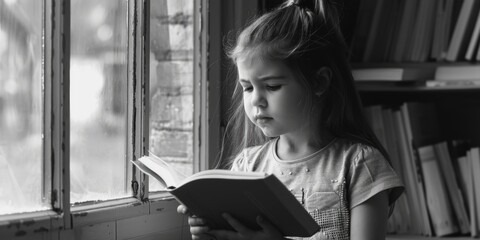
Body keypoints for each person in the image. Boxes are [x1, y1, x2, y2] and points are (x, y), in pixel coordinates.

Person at [178, 0, 404, 239]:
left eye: (272, 86)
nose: (256, 101)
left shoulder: (360, 166)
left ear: (319, 82)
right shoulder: (247, 168)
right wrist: (211, 232)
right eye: (247, 88)